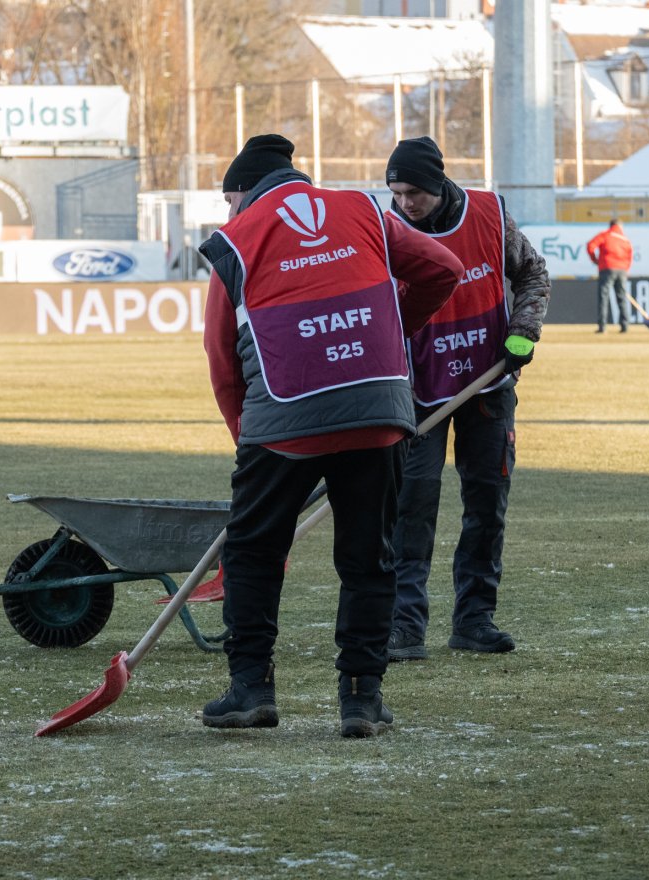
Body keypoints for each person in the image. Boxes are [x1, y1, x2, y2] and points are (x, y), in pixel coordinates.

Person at [198, 134, 464, 738]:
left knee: (253, 553)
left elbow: (221, 356)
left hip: (284, 419)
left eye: (227, 200)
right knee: (370, 559)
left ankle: (251, 691)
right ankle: (360, 700)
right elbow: (443, 269)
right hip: (377, 409)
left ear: (241, 194)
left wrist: (249, 435)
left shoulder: (235, 241)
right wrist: (393, 331)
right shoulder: (368, 209)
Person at [382, 136, 551, 662]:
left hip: (489, 386)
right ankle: (405, 626)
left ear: (438, 183)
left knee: (486, 507)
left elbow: (532, 273)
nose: (406, 202)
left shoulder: (489, 213)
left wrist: (524, 330)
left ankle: (475, 619)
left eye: (415, 192)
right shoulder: (385, 231)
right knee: (411, 509)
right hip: (418, 394)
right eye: (397, 191)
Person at [587, 219, 633, 333]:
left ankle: (602, 327)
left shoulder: (605, 235)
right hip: (622, 270)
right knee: (621, 297)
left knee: (604, 297)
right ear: (620, 227)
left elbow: (590, 246)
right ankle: (625, 326)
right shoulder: (625, 240)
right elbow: (629, 257)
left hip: (607, 268)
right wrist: (626, 270)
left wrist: (595, 260)